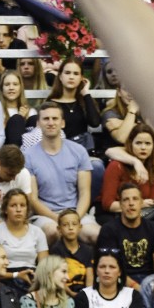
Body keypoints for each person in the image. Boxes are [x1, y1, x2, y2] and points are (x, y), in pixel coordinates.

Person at [24, 102, 97, 244]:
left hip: (76, 213)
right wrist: (60, 220)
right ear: (38, 124)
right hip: (45, 216)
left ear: (62, 123)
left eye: (55, 118)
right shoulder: (28, 156)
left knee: (96, 234)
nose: (51, 123)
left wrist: (74, 219)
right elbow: (33, 199)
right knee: (52, 232)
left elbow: (85, 193)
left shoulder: (79, 151)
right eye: (46, 119)